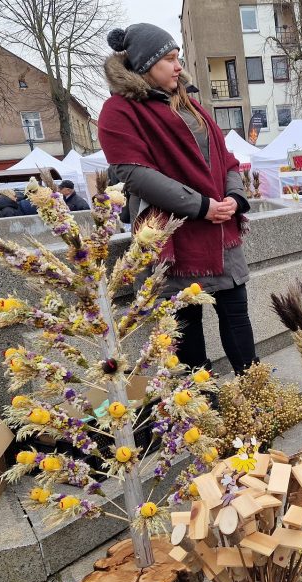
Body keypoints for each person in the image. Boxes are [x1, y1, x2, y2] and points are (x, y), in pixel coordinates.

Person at [98, 23, 258, 374]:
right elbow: (133, 172)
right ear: (144, 64)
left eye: (178, 58)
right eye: (169, 59)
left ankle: (254, 390)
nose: (178, 67)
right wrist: (201, 206)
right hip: (173, 237)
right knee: (186, 331)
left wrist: (234, 197)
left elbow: (226, 159)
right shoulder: (119, 110)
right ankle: (199, 408)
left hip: (220, 231)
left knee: (237, 316)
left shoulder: (189, 104)